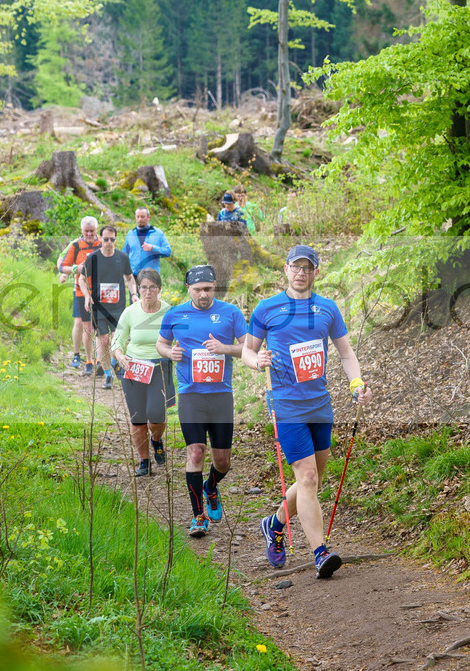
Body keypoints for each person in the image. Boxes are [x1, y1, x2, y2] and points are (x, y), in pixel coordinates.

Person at [243, 245, 372, 579]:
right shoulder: (267, 308)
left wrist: (356, 382)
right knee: (308, 478)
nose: (301, 273)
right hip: (286, 406)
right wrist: (257, 361)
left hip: (320, 404)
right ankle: (319, 552)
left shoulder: (327, 309)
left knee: (312, 480)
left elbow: (346, 353)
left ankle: (274, 524)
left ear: (316, 272)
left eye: (308, 267)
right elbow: (247, 350)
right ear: (286, 269)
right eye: (296, 267)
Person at [156, 265, 247, 538]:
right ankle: (198, 516)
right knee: (195, 452)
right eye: (198, 290)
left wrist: (225, 348)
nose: (203, 294)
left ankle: (210, 487)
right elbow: (161, 343)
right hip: (190, 393)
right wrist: (169, 352)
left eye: (208, 289)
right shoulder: (175, 314)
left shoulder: (231, 313)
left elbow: (248, 347)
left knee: (223, 462)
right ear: (188, 289)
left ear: (215, 286)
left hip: (220, 395)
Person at [111, 269, 175, 477]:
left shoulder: (169, 312)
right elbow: (116, 342)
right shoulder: (130, 312)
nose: (148, 292)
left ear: (160, 289)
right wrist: (120, 357)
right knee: (138, 419)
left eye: (152, 287)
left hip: (160, 367)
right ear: (139, 289)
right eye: (144, 287)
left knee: (156, 416)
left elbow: (181, 338)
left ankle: (156, 440)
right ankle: (144, 462)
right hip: (133, 368)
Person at [80, 225, 137, 390]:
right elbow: (82, 280)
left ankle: (113, 361)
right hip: (98, 307)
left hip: (118, 307)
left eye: (112, 239)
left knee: (117, 341)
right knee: (103, 341)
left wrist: (133, 294)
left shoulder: (122, 257)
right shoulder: (93, 258)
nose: (109, 242)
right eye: (106, 239)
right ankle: (107, 375)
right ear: (100, 238)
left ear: (115, 240)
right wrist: (86, 296)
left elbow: (129, 278)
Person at [56, 216, 100, 373]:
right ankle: (77, 354)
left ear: (97, 229)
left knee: (98, 325)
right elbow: (62, 266)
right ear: (81, 230)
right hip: (81, 290)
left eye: (92, 231)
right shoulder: (75, 245)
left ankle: (99, 359)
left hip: (100, 291)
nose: (89, 234)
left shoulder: (102, 243)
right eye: (86, 231)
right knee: (80, 322)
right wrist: (76, 269)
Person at [122, 207, 173, 276]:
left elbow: (167, 251)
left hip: (151, 276)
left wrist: (153, 248)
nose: (140, 219)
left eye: (142, 217)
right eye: (138, 217)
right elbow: (125, 254)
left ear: (148, 217)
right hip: (134, 276)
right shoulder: (130, 234)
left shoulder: (158, 233)